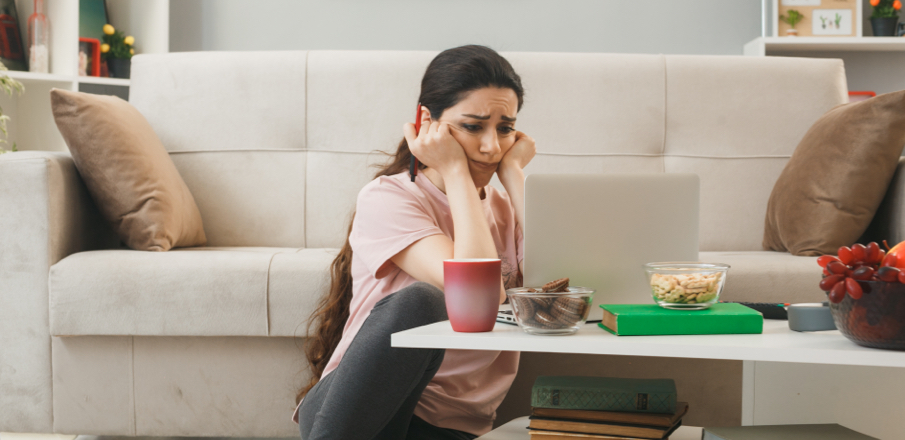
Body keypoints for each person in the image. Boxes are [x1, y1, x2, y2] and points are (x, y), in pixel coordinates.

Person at [295, 45, 535, 440]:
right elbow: (479, 297)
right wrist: (455, 170)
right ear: (428, 121)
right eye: (473, 126)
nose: (491, 146)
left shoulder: (507, 208)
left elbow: (571, 298)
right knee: (422, 299)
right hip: (359, 412)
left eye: (505, 128)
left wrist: (514, 177)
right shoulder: (388, 198)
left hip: (452, 426)